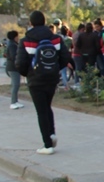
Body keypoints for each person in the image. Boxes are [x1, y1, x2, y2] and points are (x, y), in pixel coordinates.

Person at [15, 10, 70, 155]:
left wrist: (29, 74)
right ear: (45, 22)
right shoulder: (56, 39)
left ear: (31, 23)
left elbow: (20, 63)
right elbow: (65, 57)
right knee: (47, 106)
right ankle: (51, 134)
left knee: (41, 110)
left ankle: (47, 145)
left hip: (35, 80)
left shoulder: (25, 40)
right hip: (52, 78)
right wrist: (56, 69)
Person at [6, 30, 24, 110]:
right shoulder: (12, 45)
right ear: (14, 37)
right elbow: (14, 56)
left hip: (13, 67)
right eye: (17, 36)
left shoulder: (12, 44)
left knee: (15, 84)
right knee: (15, 85)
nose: (18, 38)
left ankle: (15, 101)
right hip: (13, 68)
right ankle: (13, 102)